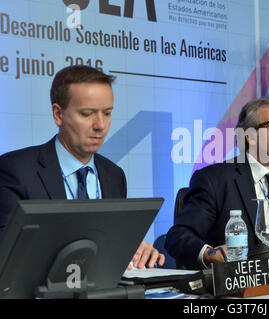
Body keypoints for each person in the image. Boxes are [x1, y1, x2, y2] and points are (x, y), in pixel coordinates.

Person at [0, 65, 164, 269]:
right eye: (87, 114)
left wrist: (131, 249)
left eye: (107, 113)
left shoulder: (114, 176)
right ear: (58, 114)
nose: (100, 125)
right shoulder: (16, 171)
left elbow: (112, 244)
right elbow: (7, 255)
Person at [165, 97, 269, 270]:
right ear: (250, 137)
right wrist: (210, 254)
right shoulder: (215, 179)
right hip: (240, 285)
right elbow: (178, 237)